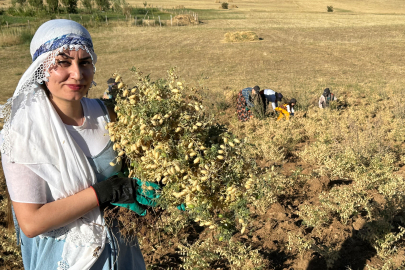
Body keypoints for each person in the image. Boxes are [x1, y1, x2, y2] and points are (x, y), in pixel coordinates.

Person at [0, 19, 147, 270]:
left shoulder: (108, 115)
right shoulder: (23, 133)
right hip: (68, 259)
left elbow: (138, 168)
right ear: (42, 67)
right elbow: (32, 222)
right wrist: (105, 192)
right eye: (63, 62)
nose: (77, 74)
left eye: (85, 62)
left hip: (122, 254)